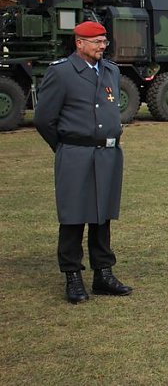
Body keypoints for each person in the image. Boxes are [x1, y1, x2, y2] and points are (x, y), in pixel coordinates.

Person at [33, 21, 133, 303]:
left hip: (107, 154)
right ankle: (73, 277)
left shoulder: (111, 70)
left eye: (104, 42)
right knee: (74, 216)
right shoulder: (62, 72)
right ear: (79, 43)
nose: (103, 46)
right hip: (76, 153)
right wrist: (65, 147)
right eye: (96, 42)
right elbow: (43, 119)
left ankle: (103, 273)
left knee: (102, 215)